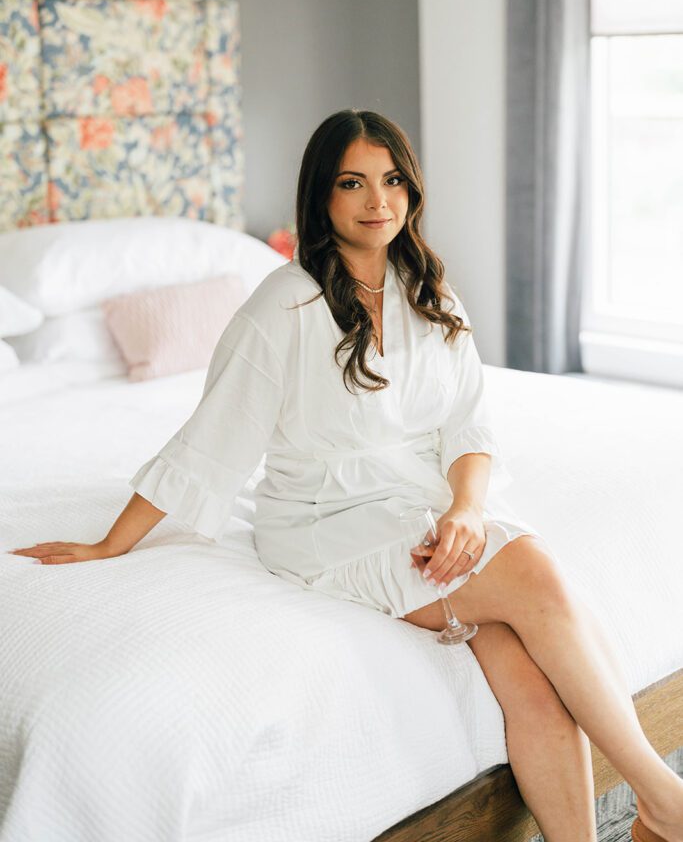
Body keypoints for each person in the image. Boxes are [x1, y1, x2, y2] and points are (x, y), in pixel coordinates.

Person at [13, 110, 683, 842]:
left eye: (392, 180)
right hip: (325, 522)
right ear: (321, 197)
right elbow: (208, 443)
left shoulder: (427, 289)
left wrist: (465, 508)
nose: (377, 201)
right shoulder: (282, 303)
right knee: (540, 579)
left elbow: (468, 425)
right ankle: (663, 801)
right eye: (352, 183)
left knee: (529, 679)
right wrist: (110, 545)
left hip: (422, 505)